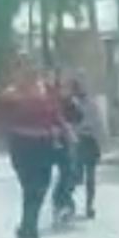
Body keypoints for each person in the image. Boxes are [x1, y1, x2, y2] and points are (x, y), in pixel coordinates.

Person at [0, 57, 68, 238]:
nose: (30, 71)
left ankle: (27, 234)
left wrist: (66, 132)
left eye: (33, 66)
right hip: (22, 147)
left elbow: (56, 115)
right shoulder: (10, 96)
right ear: (16, 72)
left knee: (41, 189)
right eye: (24, 68)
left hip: (45, 145)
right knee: (31, 190)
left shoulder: (45, 90)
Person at [68, 75, 104, 219]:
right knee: (76, 177)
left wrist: (100, 141)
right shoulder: (71, 103)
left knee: (90, 177)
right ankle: (66, 202)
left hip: (90, 141)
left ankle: (89, 206)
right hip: (77, 141)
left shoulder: (91, 103)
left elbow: (98, 122)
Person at [49, 69, 80, 226]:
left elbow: (78, 118)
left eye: (67, 87)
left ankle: (64, 201)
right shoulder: (51, 103)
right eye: (62, 87)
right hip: (52, 143)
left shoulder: (71, 103)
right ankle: (60, 202)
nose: (65, 90)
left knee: (70, 174)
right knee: (65, 173)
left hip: (67, 141)